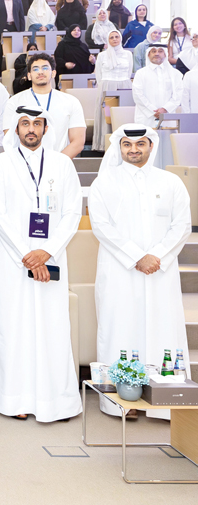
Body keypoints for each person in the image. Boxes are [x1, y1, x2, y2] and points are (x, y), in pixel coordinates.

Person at [0, 106, 83, 423]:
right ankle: (14, 399)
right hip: (14, 259)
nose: (31, 129)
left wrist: (46, 251)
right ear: (15, 129)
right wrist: (28, 254)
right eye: (25, 123)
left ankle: (56, 400)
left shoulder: (62, 164)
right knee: (14, 326)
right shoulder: (0, 164)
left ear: (46, 129)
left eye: (37, 124)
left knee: (52, 326)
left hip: (51, 257)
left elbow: (72, 214)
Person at [88, 125, 192, 420]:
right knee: (121, 327)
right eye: (127, 144)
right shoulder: (104, 182)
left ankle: (164, 399)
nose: (134, 149)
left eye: (140, 144)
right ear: (119, 147)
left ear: (151, 146)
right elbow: (101, 226)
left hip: (160, 270)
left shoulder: (170, 182)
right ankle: (123, 400)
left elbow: (182, 225)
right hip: (120, 271)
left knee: (163, 328)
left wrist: (156, 256)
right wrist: (137, 257)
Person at [3, 54, 86, 158]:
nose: (41, 72)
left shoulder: (71, 101)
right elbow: (10, 139)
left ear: (53, 73)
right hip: (24, 165)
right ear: (29, 75)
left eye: (45, 68)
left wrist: (56, 163)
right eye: (35, 69)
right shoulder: (14, 102)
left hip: (59, 165)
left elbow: (78, 142)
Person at [133, 46, 183, 169]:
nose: (157, 54)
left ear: (165, 54)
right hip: (146, 117)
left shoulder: (175, 74)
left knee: (168, 149)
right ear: (148, 55)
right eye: (153, 51)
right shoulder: (141, 73)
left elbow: (178, 95)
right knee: (146, 149)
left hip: (168, 118)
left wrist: (165, 109)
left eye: (160, 51)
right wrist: (153, 111)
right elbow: (138, 95)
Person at [92, 30, 133, 150]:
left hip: (124, 86)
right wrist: (104, 87)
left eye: (117, 37)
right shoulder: (102, 55)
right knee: (107, 116)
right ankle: (105, 144)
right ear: (108, 40)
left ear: (120, 38)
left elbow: (129, 72)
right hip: (107, 87)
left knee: (124, 116)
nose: (114, 39)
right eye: (111, 37)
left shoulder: (128, 54)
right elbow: (98, 75)